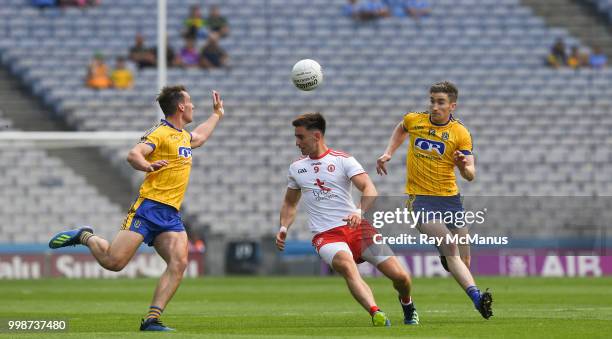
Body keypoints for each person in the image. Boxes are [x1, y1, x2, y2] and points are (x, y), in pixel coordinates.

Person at [48, 86, 225, 331]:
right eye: (191, 102)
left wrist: (217, 115)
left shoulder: (183, 136)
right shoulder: (160, 132)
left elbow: (201, 137)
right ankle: (85, 236)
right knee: (114, 262)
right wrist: (146, 166)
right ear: (181, 107)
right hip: (148, 208)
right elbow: (134, 154)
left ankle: (152, 320)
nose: (194, 106)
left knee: (179, 262)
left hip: (170, 214)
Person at [275, 113, 419, 327]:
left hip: (357, 228)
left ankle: (408, 305)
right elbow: (289, 203)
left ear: (316, 136)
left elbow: (370, 188)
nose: (297, 143)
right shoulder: (297, 168)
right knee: (347, 265)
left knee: (401, 278)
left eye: (300, 137)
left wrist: (359, 210)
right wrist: (284, 227)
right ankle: (376, 313)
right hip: (326, 235)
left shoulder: (343, 160)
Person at [376, 81, 493, 319]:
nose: (434, 106)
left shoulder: (460, 133)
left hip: (450, 200)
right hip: (421, 200)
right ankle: (478, 299)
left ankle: (456, 269)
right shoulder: (414, 120)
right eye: (432, 101)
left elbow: (471, 175)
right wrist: (389, 152)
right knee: (450, 246)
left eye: (440, 102)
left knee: (463, 257)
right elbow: (401, 128)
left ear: (452, 106)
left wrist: (462, 166)